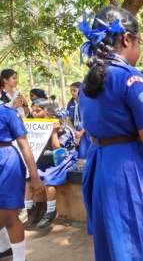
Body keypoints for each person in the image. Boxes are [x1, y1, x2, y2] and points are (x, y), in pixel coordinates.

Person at [77, 5, 143, 261]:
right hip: (132, 170)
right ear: (127, 39)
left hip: (102, 168)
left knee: (116, 245)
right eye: (140, 42)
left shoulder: (87, 83)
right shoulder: (131, 78)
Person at [0, 80, 44, 261]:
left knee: (9, 215)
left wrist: (34, 177)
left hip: (6, 163)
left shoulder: (8, 113)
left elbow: (25, 146)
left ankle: (20, 258)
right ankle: (4, 249)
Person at [24, 99, 78, 228]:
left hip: (62, 157)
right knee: (28, 178)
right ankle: (31, 209)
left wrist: (54, 131)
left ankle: (50, 211)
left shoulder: (63, 129)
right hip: (45, 158)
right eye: (34, 111)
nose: (36, 114)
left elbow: (57, 149)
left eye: (39, 111)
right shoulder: (38, 125)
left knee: (49, 179)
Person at [66, 82, 90, 159]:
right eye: (71, 91)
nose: (72, 93)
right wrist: (74, 131)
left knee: (84, 153)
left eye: (74, 90)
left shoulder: (87, 102)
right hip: (74, 130)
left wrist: (80, 133)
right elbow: (69, 119)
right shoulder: (70, 103)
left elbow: (90, 119)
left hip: (85, 130)